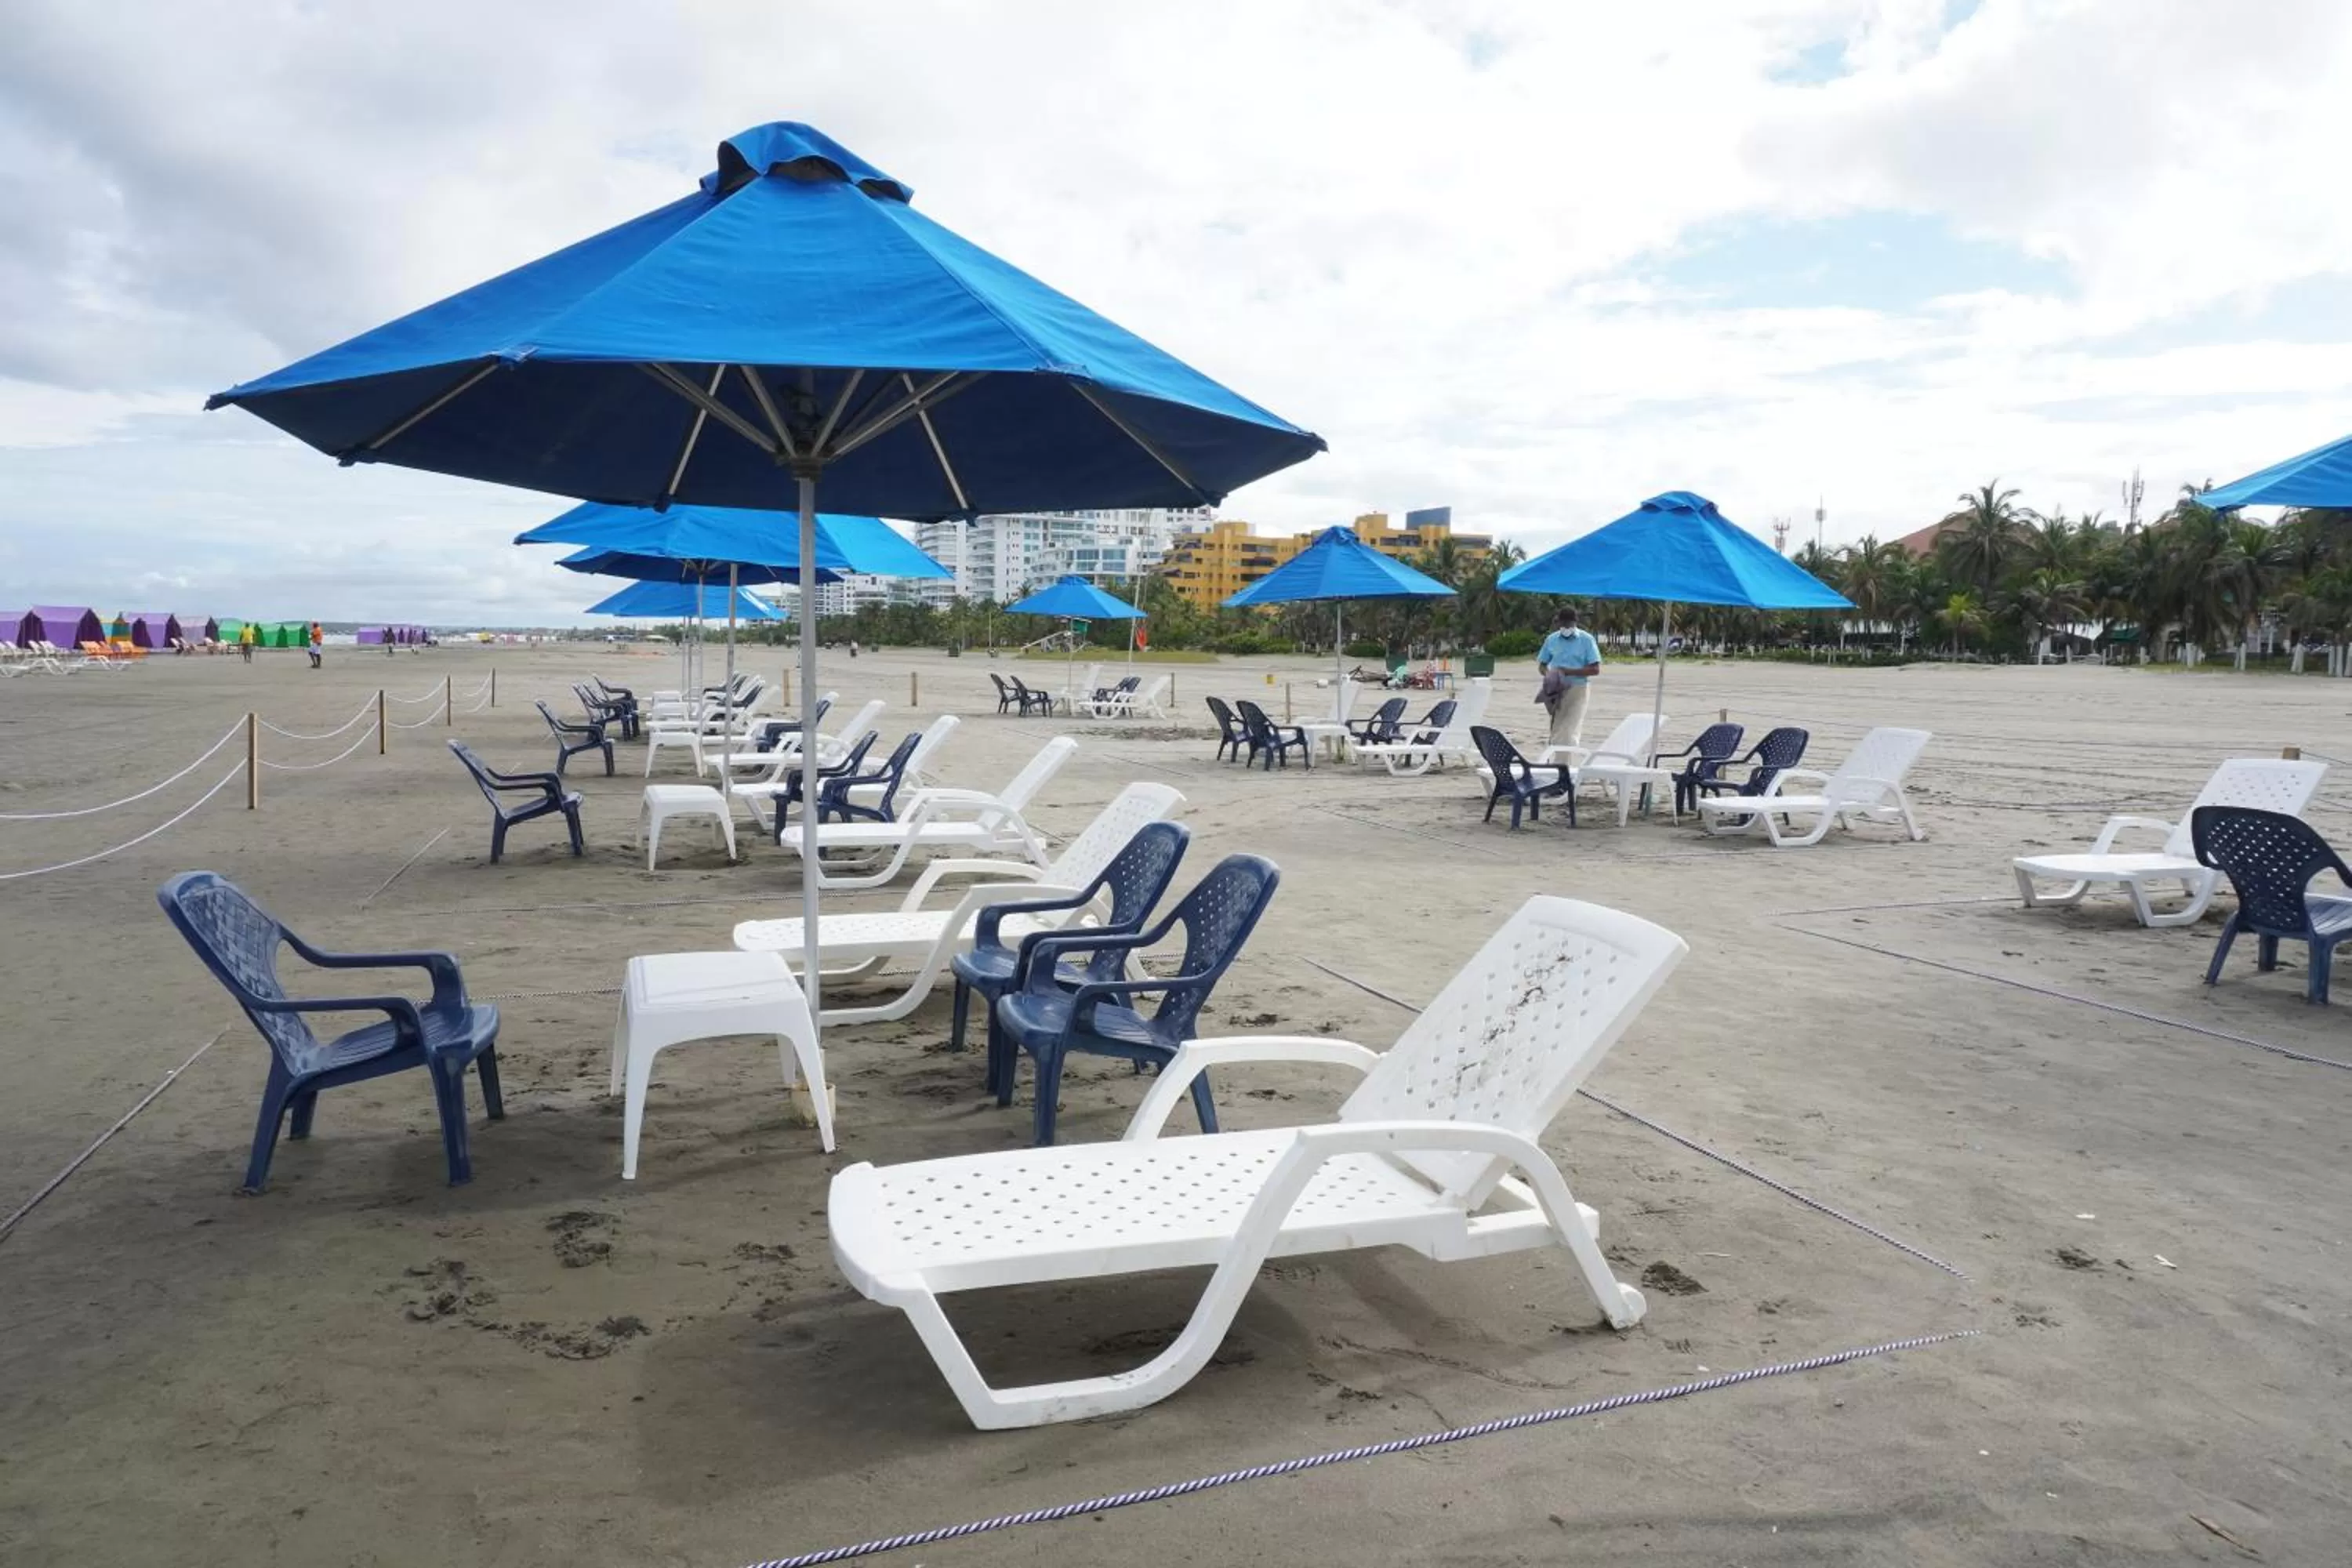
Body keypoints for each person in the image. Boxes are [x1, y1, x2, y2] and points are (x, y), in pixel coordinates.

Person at [1536, 605, 1602, 750]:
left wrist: (1568, 672)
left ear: (1575, 623)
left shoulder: (1586, 640)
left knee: (1569, 729)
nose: (1565, 627)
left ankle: (1563, 766)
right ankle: (1555, 764)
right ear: (1558, 623)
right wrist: (1550, 676)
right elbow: (1542, 664)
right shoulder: (1552, 640)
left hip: (1578, 689)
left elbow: (1595, 669)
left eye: (1568, 624)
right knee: (1557, 728)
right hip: (1556, 689)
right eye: (1563, 624)